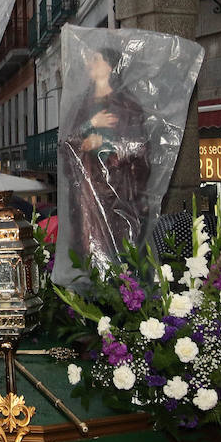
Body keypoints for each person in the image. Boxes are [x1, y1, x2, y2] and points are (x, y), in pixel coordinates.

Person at [60, 47, 150, 275]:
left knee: (120, 245)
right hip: (89, 190)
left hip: (118, 190)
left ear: (110, 66)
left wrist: (108, 147)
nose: (90, 64)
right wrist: (90, 127)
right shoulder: (82, 106)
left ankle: (122, 289)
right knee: (89, 244)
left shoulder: (127, 105)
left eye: (96, 59)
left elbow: (140, 147)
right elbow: (67, 144)